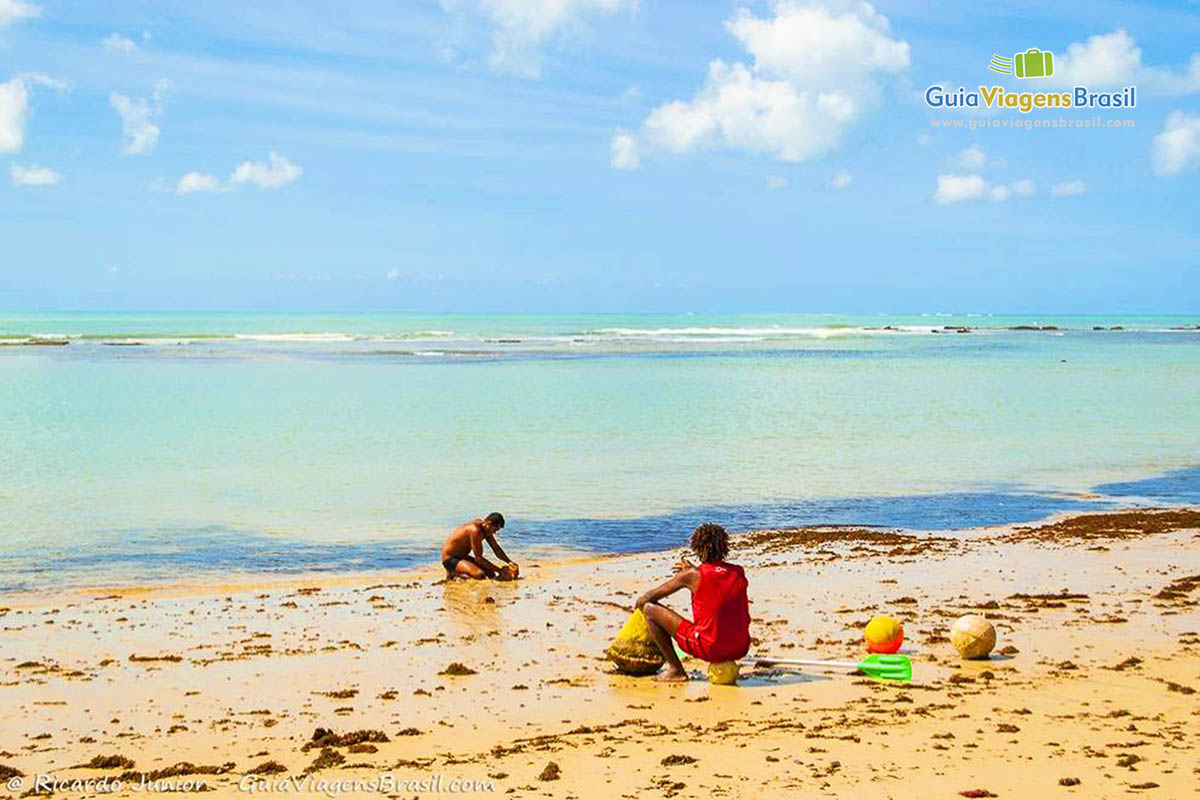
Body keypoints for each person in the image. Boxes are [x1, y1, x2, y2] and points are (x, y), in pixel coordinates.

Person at [635, 523, 750, 682]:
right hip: (740, 647)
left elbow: (647, 598)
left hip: (709, 648)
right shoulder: (738, 572)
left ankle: (676, 670)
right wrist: (692, 571)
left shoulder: (692, 575)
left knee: (649, 609)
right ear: (724, 546)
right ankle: (677, 668)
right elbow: (716, 578)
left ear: (697, 548)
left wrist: (687, 574)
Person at [441, 512, 516, 580]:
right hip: (450, 559)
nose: (494, 533)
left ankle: (457, 570)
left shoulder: (486, 529)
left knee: (491, 574)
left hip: (463, 557)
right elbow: (479, 558)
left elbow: (496, 548)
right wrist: (500, 571)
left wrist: (509, 562)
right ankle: (453, 572)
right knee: (480, 575)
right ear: (488, 524)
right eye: (495, 530)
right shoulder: (475, 531)